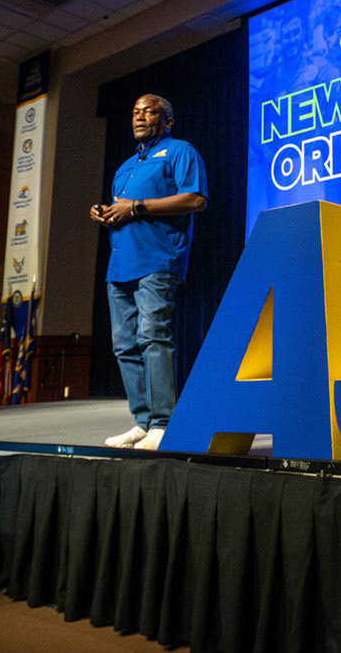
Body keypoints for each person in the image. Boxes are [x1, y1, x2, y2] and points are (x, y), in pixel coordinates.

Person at [90, 94, 207, 451]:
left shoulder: (180, 151)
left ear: (167, 120)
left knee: (153, 336)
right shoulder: (125, 166)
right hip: (120, 265)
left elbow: (195, 200)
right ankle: (142, 423)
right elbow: (123, 209)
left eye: (149, 111)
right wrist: (107, 212)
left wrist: (136, 207)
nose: (140, 117)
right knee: (124, 345)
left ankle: (164, 423)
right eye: (135, 112)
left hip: (157, 260)